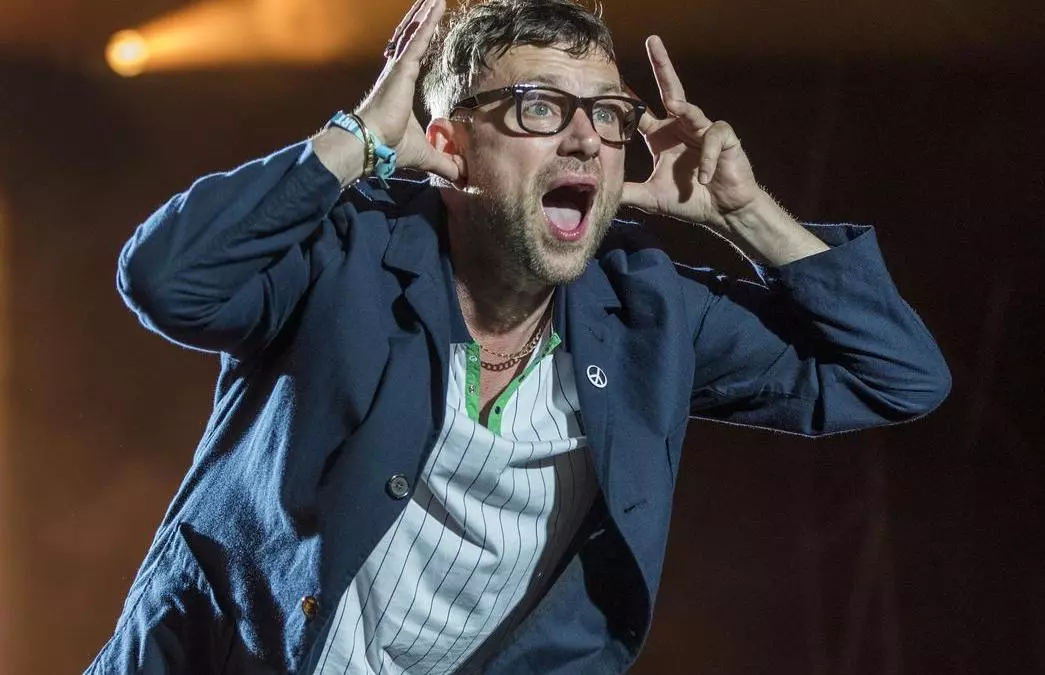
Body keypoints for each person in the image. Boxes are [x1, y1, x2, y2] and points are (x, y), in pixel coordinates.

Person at [87, 0, 950, 672]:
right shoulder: (346, 254)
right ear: (449, 146)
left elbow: (897, 375)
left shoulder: (645, 313)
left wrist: (743, 214)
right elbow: (167, 278)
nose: (585, 138)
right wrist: (357, 143)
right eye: (540, 107)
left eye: (607, 113)